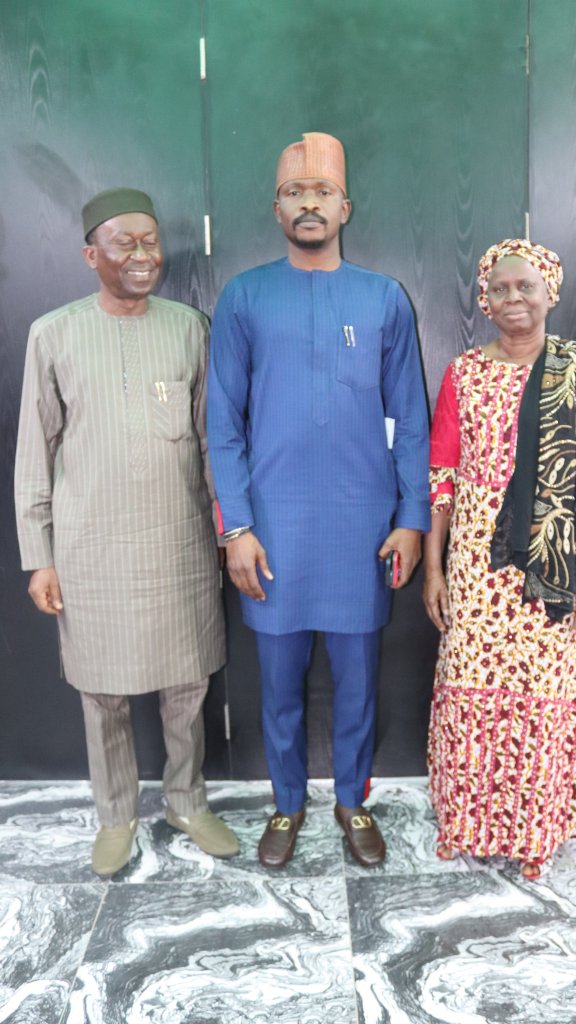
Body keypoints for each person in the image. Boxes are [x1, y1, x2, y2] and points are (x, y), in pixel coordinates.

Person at [208, 133, 430, 868]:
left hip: (363, 528)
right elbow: (222, 425)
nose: (309, 204)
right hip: (271, 529)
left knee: (358, 681)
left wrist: (410, 520)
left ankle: (352, 800)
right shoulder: (244, 297)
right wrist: (236, 526)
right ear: (277, 210)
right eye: (294, 194)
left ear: (344, 208)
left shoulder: (383, 299)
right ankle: (286, 802)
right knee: (277, 681)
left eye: (322, 193)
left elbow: (410, 421)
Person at [14, 187, 238, 876]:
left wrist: (230, 530)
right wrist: (39, 555)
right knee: (102, 692)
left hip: (180, 540)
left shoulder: (189, 327)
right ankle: (115, 815)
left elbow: (214, 441)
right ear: (92, 255)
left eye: (150, 241)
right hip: (91, 546)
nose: (143, 255)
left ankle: (187, 802)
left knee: (187, 685)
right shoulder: (53, 334)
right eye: (124, 243)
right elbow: (34, 449)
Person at [423, 238, 576, 878]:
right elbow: (442, 477)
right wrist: (434, 567)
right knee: (470, 685)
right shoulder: (463, 374)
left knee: (542, 693)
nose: (513, 298)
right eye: (499, 289)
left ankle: (535, 830)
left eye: (526, 286)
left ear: (551, 292)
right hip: (476, 561)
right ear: (484, 301)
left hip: (555, 564)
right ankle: (466, 820)